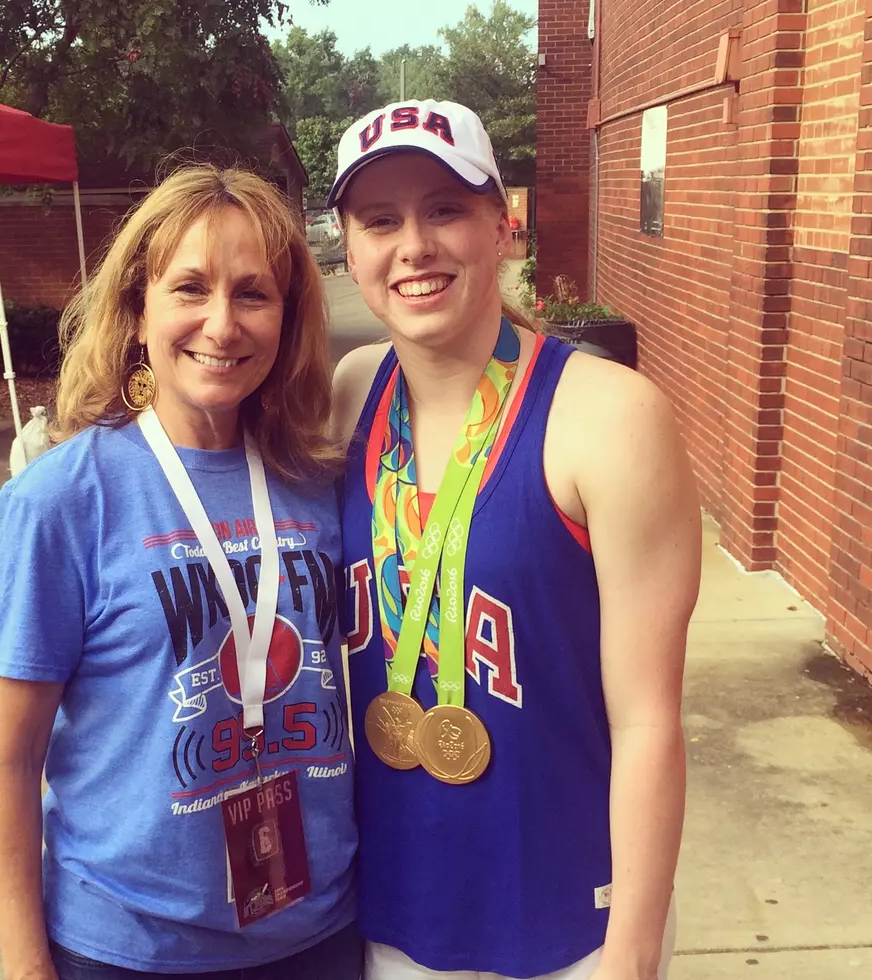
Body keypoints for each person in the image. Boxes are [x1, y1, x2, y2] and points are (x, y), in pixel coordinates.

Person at [331, 100, 702, 980]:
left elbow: (649, 719)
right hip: (386, 918)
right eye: (380, 220)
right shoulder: (349, 395)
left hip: (568, 929)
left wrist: (634, 954)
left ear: (504, 226)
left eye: (445, 209)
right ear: (349, 249)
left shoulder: (609, 417)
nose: (414, 246)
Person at [0, 165, 360, 980]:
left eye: (253, 293)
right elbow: (8, 759)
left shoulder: (321, 482)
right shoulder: (58, 502)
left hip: (320, 934)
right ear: (137, 309)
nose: (222, 324)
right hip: (129, 948)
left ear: (286, 319)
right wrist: (24, 965)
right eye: (190, 287)